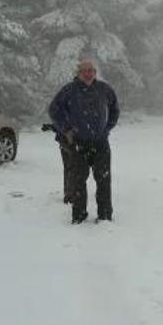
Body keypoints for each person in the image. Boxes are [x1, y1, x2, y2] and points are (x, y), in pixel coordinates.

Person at [48, 59, 120, 224]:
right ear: (78, 73)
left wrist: (107, 128)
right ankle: (79, 215)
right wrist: (66, 129)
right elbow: (54, 109)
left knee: (103, 180)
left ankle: (105, 215)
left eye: (91, 71)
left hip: (100, 143)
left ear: (95, 73)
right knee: (78, 181)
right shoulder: (70, 90)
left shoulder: (104, 89)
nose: (88, 74)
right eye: (84, 71)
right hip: (79, 143)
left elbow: (115, 109)